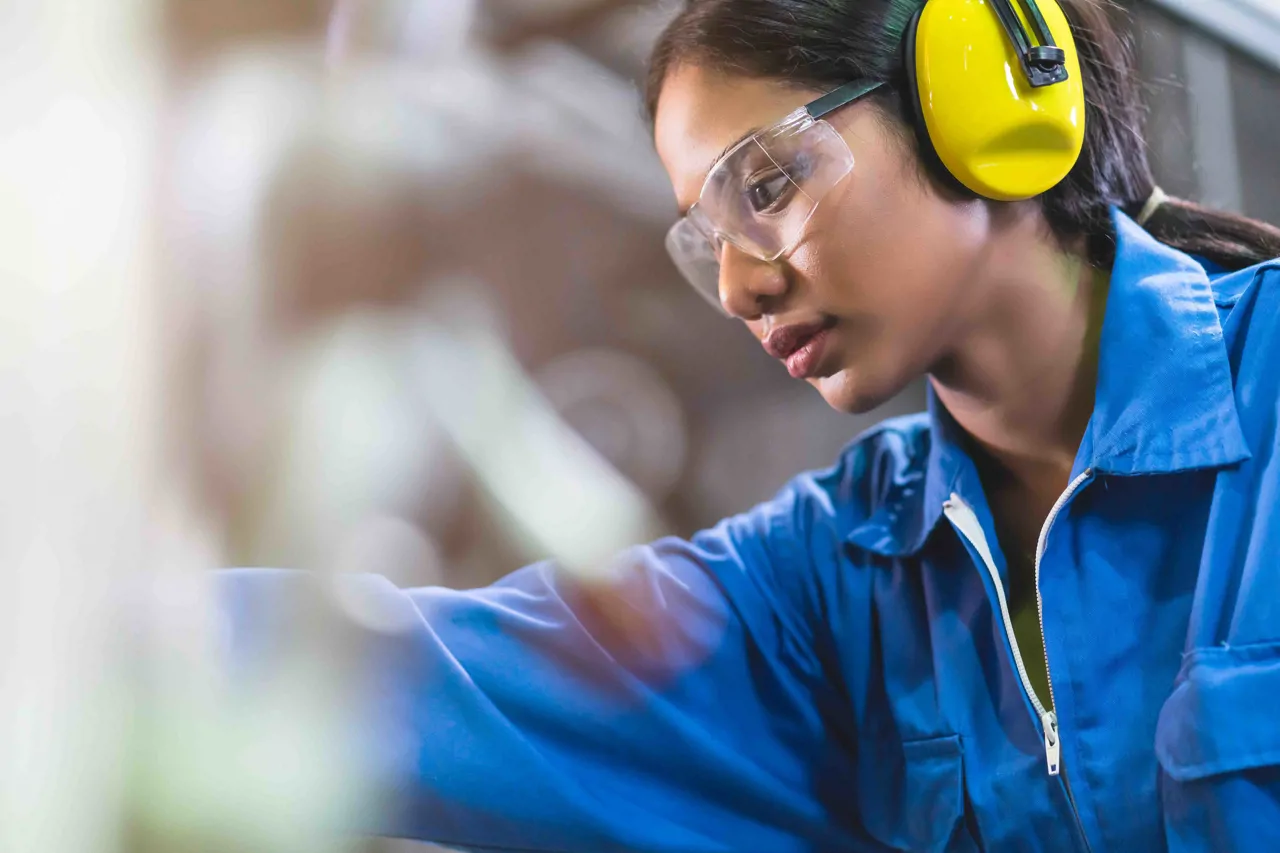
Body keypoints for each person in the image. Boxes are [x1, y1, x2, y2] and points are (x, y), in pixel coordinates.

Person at [220, 0, 1280, 850]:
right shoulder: (836, 579)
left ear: (979, 95)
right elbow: (433, 678)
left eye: (764, 186)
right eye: (705, 238)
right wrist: (98, 625)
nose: (734, 288)